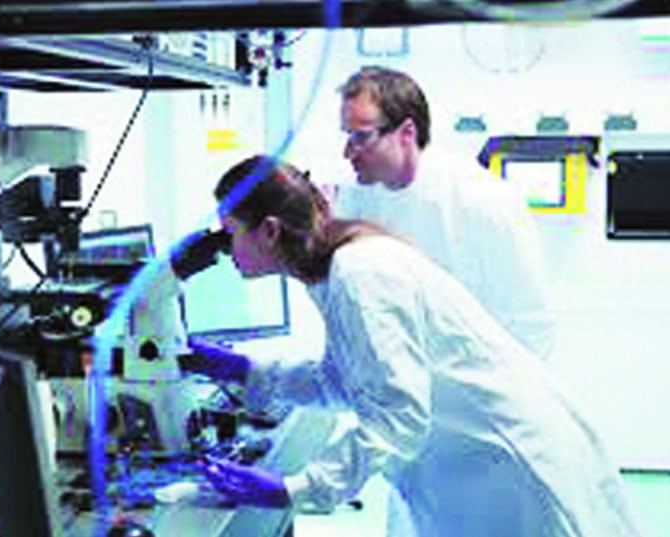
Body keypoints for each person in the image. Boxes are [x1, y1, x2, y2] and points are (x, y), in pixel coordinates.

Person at [182, 154, 644, 536]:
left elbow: (397, 415)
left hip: (512, 473)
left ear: (269, 230)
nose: (225, 249)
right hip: (478, 468)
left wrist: (297, 488)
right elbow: (345, 381)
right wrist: (242, 369)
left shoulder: (362, 275)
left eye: (229, 232)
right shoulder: (336, 272)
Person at [332, 66, 554, 360]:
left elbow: (531, 324)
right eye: (347, 136)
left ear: (407, 133)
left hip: (482, 379)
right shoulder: (354, 198)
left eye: (361, 137)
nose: (348, 152)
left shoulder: (483, 199)